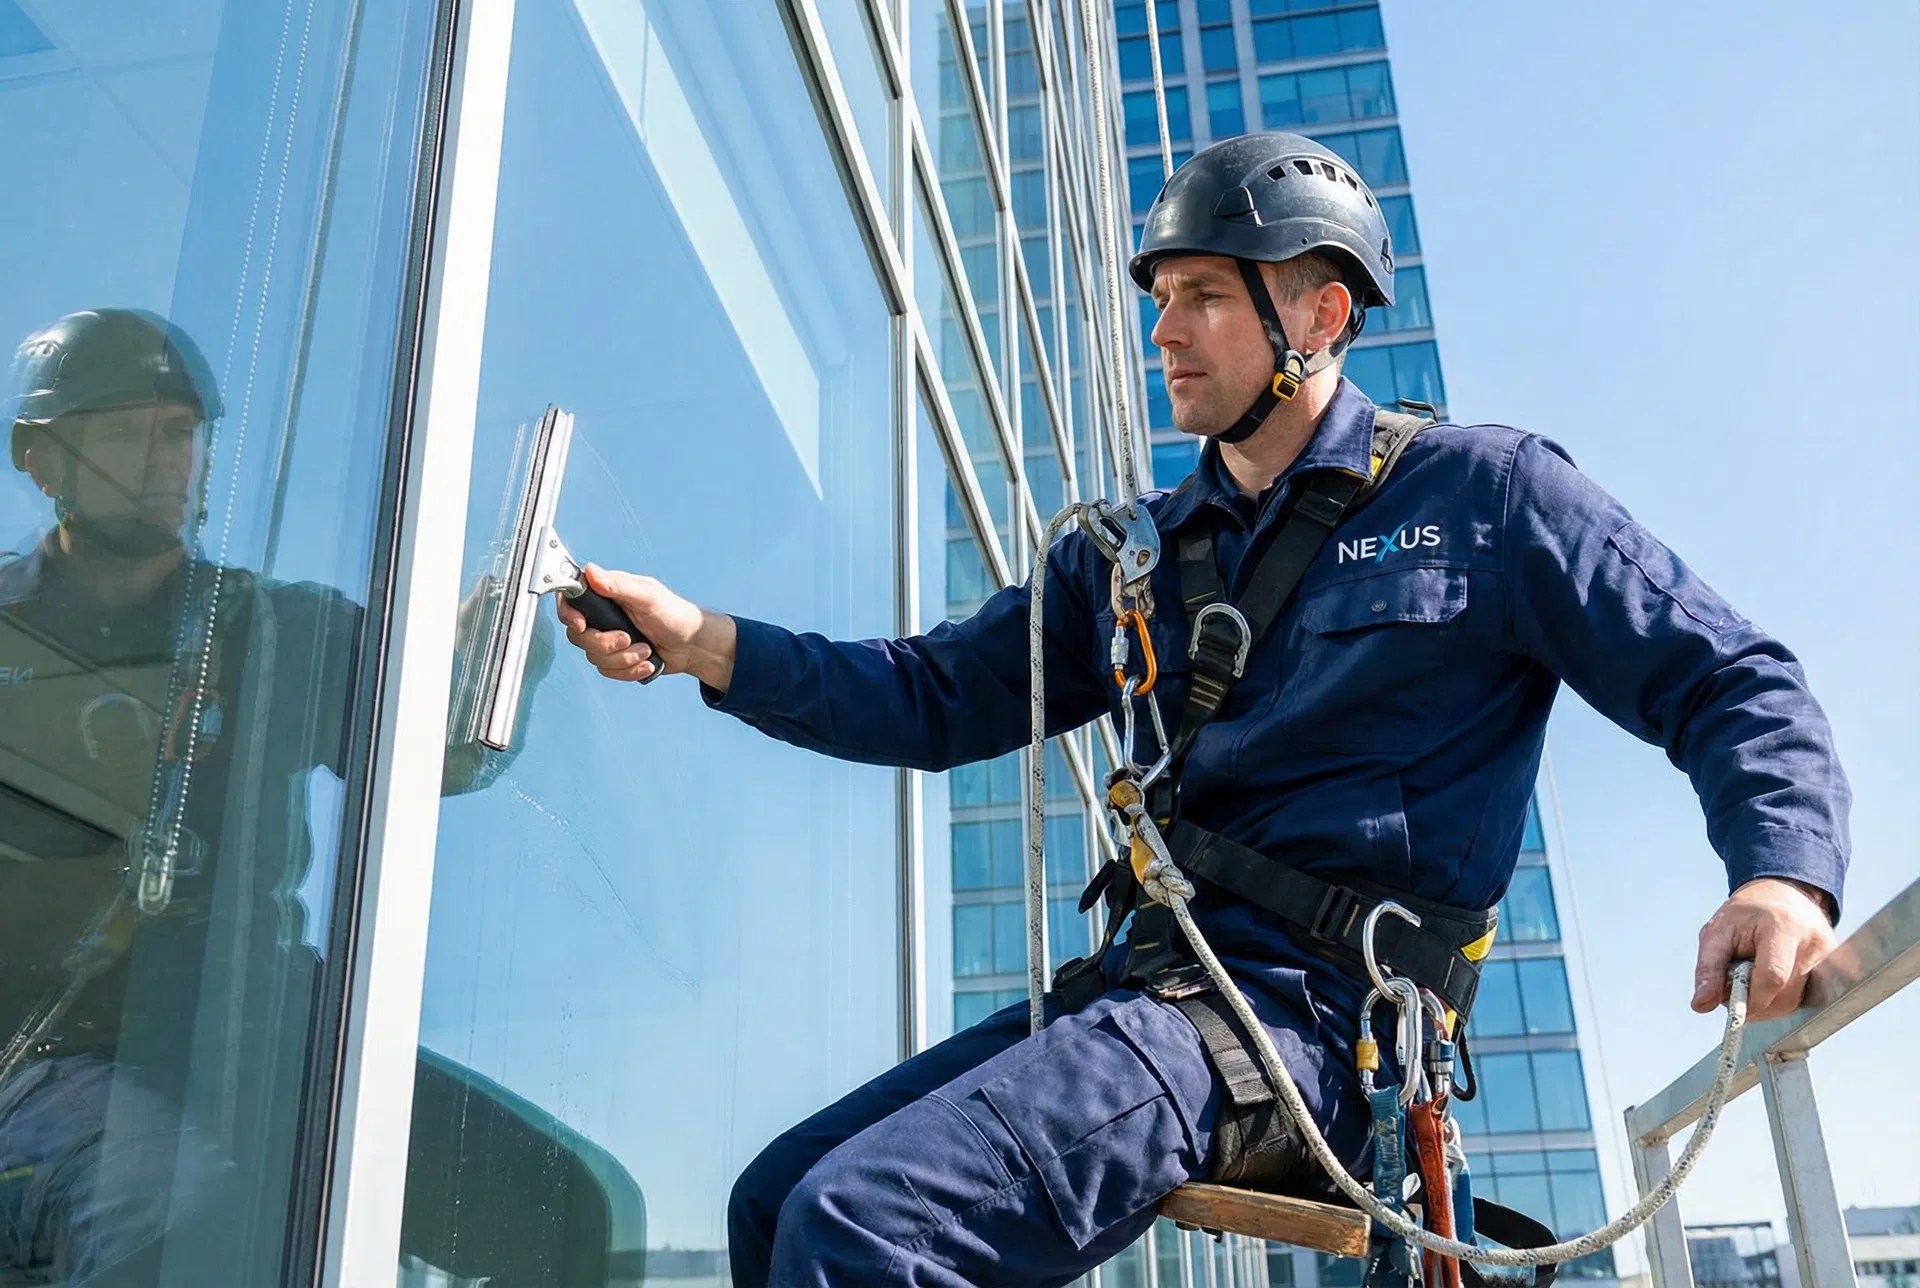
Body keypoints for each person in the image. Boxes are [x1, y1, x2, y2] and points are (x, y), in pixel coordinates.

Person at [556, 132, 1848, 1288]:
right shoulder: (1126, 563)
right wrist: (701, 646)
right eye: (1163, 298)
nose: (1165, 329)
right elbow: (931, 695)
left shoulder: (1485, 498)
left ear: (1321, 314)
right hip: (1145, 996)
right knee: (777, 1202)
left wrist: (1783, 877)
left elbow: (1728, 678)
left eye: (1205, 298)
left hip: (1310, 1027)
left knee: (869, 1228)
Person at [0, 308, 536, 1283]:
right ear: (40, 458)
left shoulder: (275, 629)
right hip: (51, 1056)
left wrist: (497, 653)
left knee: (562, 1208)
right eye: (125, 430)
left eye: (179, 432)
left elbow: (441, 754)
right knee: (169, 1210)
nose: (163, 460)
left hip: (263, 1024)